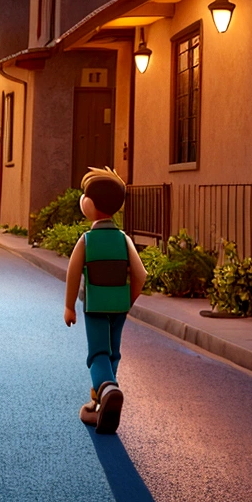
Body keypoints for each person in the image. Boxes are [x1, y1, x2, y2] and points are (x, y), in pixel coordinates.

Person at [64, 166, 147, 435]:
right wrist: (128, 299)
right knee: (113, 351)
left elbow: (73, 274)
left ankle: (108, 389)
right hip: (119, 306)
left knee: (98, 352)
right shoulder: (124, 239)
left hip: (96, 305)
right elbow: (141, 274)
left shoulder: (87, 240)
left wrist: (69, 306)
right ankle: (101, 402)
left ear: (91, 204)